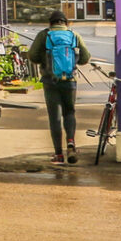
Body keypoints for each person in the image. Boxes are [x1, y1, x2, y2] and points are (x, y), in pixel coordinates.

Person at [28, 10, 89, 163]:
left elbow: (32, 55)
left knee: (54, 117)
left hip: (50, 81)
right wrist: (73, 62)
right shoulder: (74, 35)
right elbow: (85, 57)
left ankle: (58, 154)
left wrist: (45, 60)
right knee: (69, 112)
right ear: (65, 22)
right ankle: (71, 142)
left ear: (51, 22)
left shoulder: (44, 35)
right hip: (70, 80)